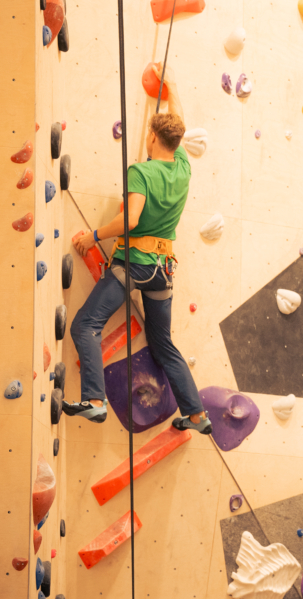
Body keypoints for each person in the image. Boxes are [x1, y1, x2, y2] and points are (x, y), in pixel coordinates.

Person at [66, 67, 211, 435]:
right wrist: (172, 87)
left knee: (86, 324)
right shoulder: (182, 168)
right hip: (163, 270)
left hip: (136, 263)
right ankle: (196, 414)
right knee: (162, 345)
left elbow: (129, 220)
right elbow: (177, 125)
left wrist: (94, 236)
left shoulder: (141, 172)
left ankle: (95, 400)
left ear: (151, 137)